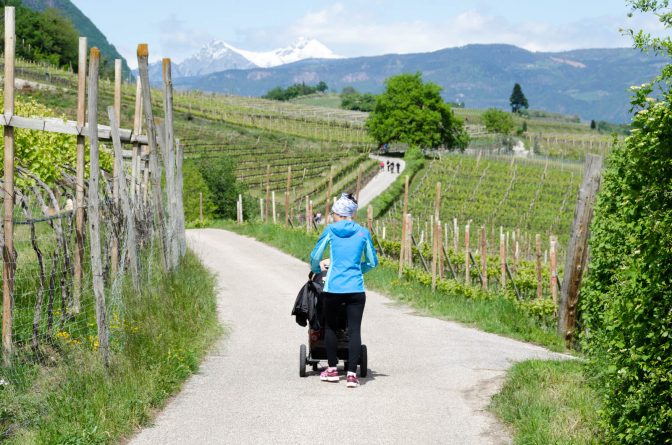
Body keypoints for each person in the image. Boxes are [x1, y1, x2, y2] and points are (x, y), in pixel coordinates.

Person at [310, 193, 378, 388]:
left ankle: (331, 370)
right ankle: (351, 375)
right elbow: (372, 262)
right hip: (356, 288)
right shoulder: (363, 233)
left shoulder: (330, 231)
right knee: (354, 329)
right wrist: (358, 269)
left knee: (330, 327)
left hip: (333, 288)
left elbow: (315, 255)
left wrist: (317, 269)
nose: (331, 216)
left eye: (333, 213)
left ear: (338, 213)